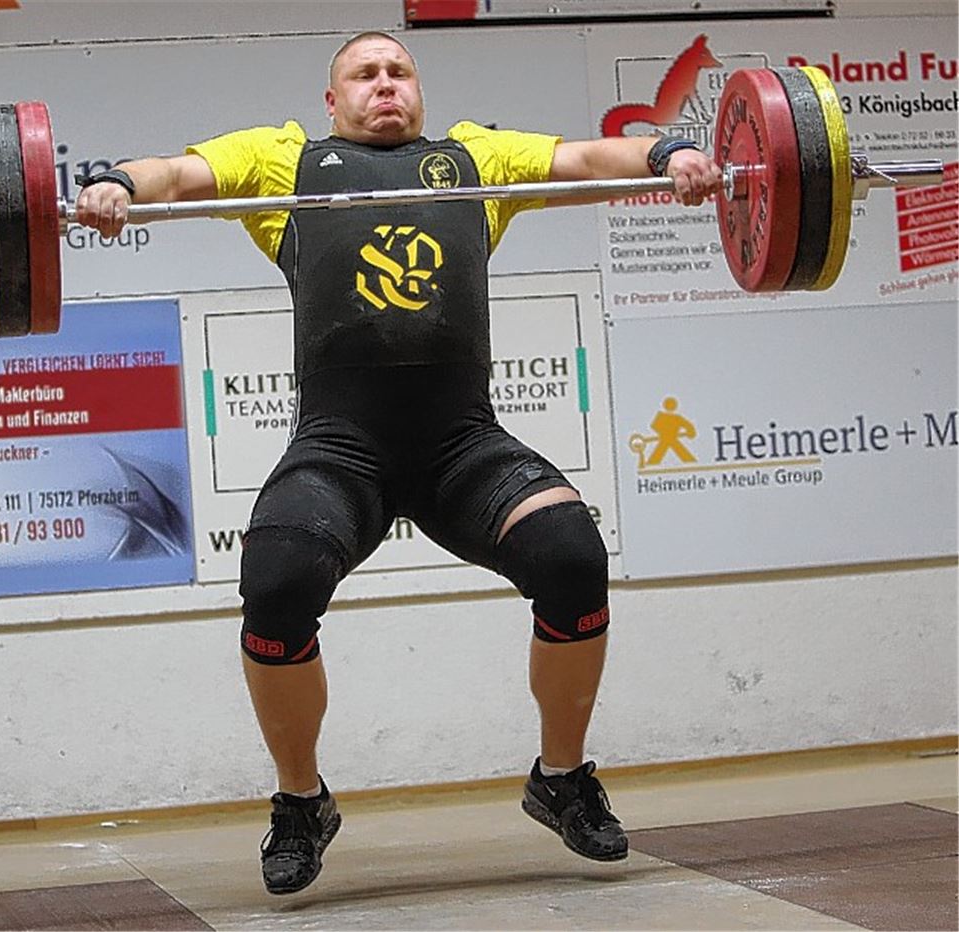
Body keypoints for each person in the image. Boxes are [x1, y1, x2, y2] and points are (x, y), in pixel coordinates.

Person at [76, 31, 723, 896]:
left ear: (418, 89)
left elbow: (587, 159)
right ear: (331, 98)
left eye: (399, 71)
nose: (385, 84)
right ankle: (301, 801)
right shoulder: (283, 162)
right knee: (276, 583)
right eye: (365, 74)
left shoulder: (476, 159)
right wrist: (118, 184)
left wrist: (670, 153)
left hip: (463, 448)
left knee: (571, 556)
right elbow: (174, 175)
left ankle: (561, 779)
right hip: (341, 453)